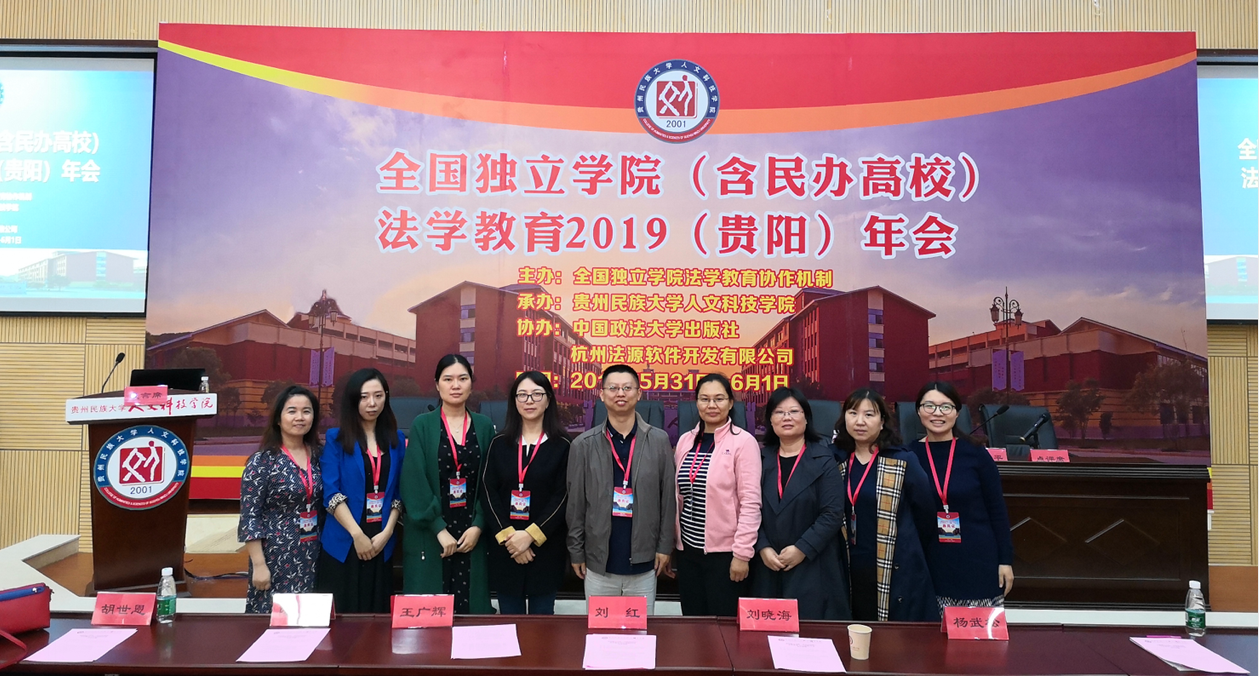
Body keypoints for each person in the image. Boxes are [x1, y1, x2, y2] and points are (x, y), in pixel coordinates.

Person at [567, 364, 676, 614]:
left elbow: (668, 500)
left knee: (641, 632)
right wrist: (576, 551)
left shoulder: (658, 440)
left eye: (627, 388)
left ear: (639, 394)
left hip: (645, 564)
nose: (620, 393)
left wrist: (664, 547)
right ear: (601, 394)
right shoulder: (583, 445)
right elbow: (576, 506)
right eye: (613, 388)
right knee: (600, 631)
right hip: (598, 565)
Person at [400, 354, 495, 614]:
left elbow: (491, 481)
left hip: (471, 533)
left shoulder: (484, 426)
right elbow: (414, 481)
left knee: (470, 614)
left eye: (462, 379)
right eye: (448, 379)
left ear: (471, 384)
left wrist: (478, 525)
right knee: (431, 615)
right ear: (437, 384)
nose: (455, 385)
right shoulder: (422, 425)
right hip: (432, 532)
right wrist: (438, 528)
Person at [909, 381, 1015, 612]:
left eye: (946, 407)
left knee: (976, 631)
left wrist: (1005, 560)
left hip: (977, 560)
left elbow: (997, 510)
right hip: (929, 561)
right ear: (918, 411)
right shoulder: (909, 455)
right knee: (933, 632)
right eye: (929, 406)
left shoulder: (976, 454)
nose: (937, 413)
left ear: (957, 412)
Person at [834, 388, 938, 622]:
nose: (860, 421)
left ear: (882, 422)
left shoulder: (902, 460)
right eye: (853, 413)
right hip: (848, 563)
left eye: (869, 415)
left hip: (893, 563)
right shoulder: (836, 459)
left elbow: (925, 513)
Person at [751, 387, 850, 620]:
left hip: (813, 564)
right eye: (779, 412)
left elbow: (832, 514)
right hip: (767, 564)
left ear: (806, 418)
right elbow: (748, 507)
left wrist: (802, 548)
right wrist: (762, 546)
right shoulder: (759, 459)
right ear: (770, 421)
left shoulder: (824, 459)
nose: (787, 417)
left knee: (808, 633)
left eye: (794, 411)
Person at [481, 371, 571, 615]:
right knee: (509, 624)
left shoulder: (563, 445)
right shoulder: (499, 443)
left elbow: (563, 496)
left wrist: (531, 536)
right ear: (514, 401)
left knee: (542, 628)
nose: (529, 401)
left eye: (536, 394)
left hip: (545, 549)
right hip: (506, 549)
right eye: (522, 395)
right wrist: (511, 539)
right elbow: (488, 492)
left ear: (548, 400)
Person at [316, 368, 406, 612]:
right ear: (353, 400)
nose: (372, 403)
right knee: (342, 620)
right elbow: (331, 493)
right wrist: (357, 535)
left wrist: (387, 532)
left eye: (378, 395)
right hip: (345, 541)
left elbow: (399, 493)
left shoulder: (396, 439)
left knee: (377, 617)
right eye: (364, 397)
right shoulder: (336, 438)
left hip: (381, 542)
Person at [672, 373, 761, 616]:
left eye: (719, 399)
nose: (711, 405)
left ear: (731, 403)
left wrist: (742, 554)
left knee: (723, 627)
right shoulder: (685, 441)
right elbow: (678, 496)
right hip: (688, 552)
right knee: (693, 623)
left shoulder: (744, 443)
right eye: (705, 399)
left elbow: (750, 503)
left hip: (726, 556)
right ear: (697, 403)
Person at [238, 385, 322, 614]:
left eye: (306, 411)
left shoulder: (320, 455)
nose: (300, 417)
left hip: (313, 553)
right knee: (274, 620)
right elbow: (250, 517)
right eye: (292, 411)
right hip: (275, 556)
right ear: (278, 418)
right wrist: (259, 565)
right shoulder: (262, 461)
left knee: (309, 618)